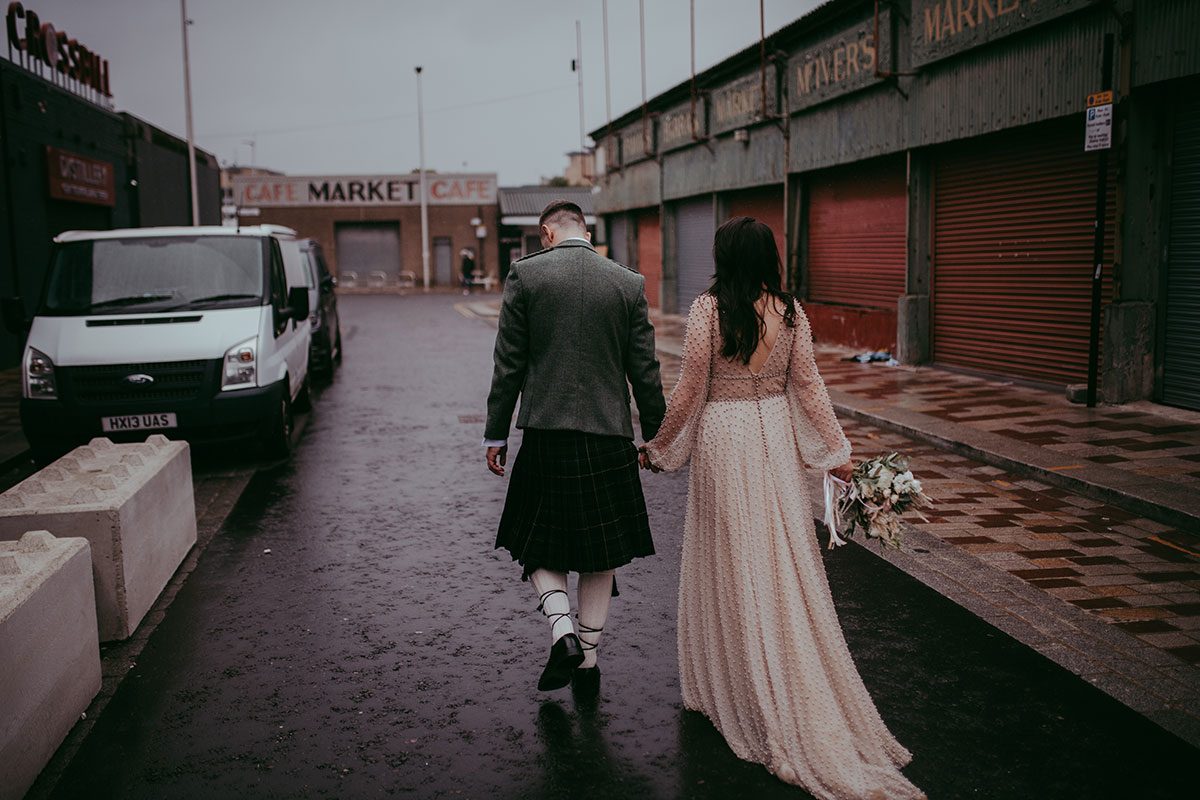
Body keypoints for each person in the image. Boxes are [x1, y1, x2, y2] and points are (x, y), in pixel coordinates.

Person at [639, 217, 924, 799]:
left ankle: (745, 693)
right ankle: (786, 684)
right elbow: (811, 385)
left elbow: (691, 389)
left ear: (724, 255)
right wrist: (837, 451)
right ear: (769, 256)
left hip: (725, 437)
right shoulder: (791, 312)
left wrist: (659, 447)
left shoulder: (708, 311)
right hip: (774, 436)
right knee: (779, 559)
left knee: (731, 559)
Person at [484, 199, 665, 700]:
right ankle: (588, 661)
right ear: (587, 231)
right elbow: (644, 371)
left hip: (546, 434)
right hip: (609, 436)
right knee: (598, 553)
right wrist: (655, 435)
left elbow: (508, 365)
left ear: (547, 233)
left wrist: (495, 433)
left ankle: (561, 631)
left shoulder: (527, 277)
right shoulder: (628, 283)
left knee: (538, 542)